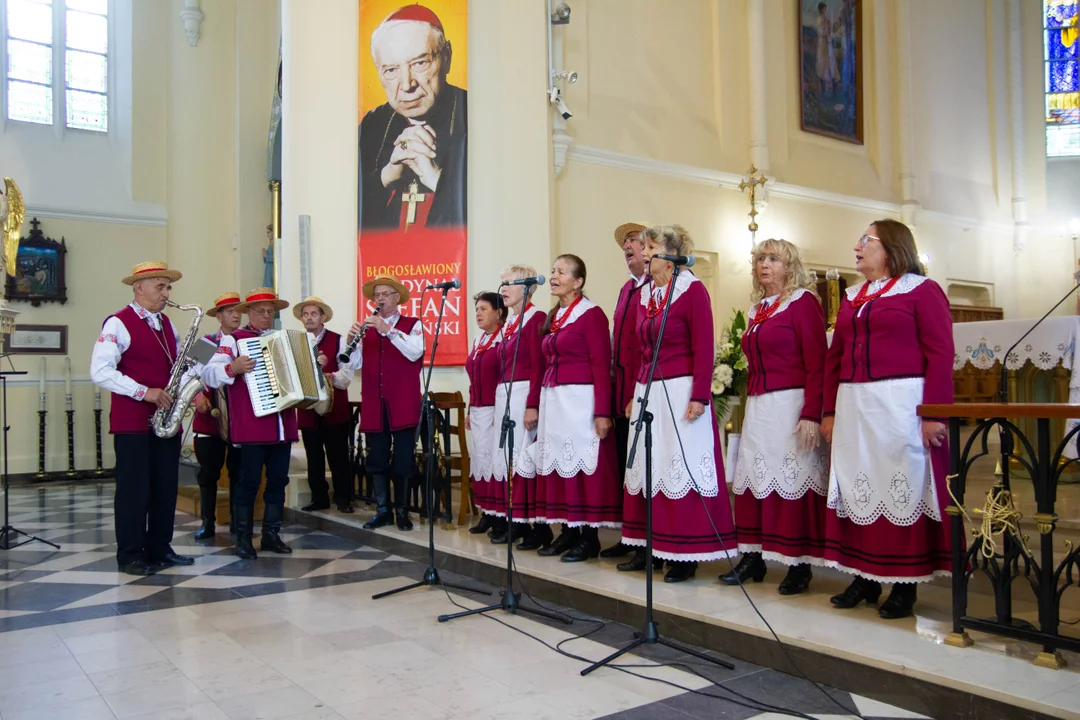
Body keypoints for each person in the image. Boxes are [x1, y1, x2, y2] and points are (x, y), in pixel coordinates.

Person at [820, 219, 954, 619]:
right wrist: (828, 410)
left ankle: (903, 584)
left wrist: (934, 413)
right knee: (859, 488)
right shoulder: (850, 297)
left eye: (867, 240)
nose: (857, 246)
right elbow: (835, 358)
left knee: (900, 488)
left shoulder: (921, 291)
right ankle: (863, 576)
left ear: (892, 247)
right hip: (854, 407)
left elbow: (941, 354)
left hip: (900, 404)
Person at [620, 225, 738, 582]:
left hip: (681, 389)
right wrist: (634, 394)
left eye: (650, 247)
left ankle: (685, 554)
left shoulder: (693, 290)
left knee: (679, 467)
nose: (643, 253)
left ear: (671, 256)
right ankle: (651, 548)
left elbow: (704, 346)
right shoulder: (646, 294)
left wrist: (700, 395)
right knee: (651, 467)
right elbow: (639, 348)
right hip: (648, 390)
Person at [723, 239, 828, 595]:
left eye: (772, 259)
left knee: (791, 478)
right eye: (759, 259)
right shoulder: (758, 310)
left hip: (791, 403)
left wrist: (812, 412)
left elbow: (817, 363)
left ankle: (798, 564)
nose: (763, 264)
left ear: (790, 266)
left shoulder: (803, 304)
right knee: (754, 477)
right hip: (759, 404)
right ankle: (752, 556)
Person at [90, 261, 194, 575]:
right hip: (133, 421)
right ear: (139, 288)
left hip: (166, 421)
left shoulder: (168, 325)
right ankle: (130, 555)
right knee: (134, 490)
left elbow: (179, 364)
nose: (166, 293)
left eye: (168, 287)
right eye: (160, 286)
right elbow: (100, 371)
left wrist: (199, 368)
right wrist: (143, 392)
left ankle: (159, 548)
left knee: (165, 487)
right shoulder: (118, 323)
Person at [526, 255, 620, 561]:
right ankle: (567, 531)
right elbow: (541, 365)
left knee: (581, 468)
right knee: (558, 467)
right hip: (554, 402)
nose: (553, 276)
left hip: (581, 402)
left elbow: (600, 364)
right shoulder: (554, 316)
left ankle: (588, 537)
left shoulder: (591, 315)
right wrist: (535, 405)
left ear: (578, 282)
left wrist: (602, 412)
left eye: (561, 272)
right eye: (553, 271)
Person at [202, 288, 298, 559]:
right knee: (247, 481)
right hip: (251, 423)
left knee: (278, 480)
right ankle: (241, 537)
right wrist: (233, 368)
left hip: (282, 423)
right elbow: (203, 372)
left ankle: (271, 534)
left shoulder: (284, 339)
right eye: (260, 311)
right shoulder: (226, 340)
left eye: (270, 311)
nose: (266, 316)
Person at [359, 4, 466, 231]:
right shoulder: (373, 125)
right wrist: (386, 176)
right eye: (391, 70)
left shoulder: (472, 113)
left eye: (419, 63)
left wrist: (437, 179)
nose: (407, 85)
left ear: (446, 57)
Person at [356, 275, 425, 531]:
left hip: (403, 403)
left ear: (397, 298)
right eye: (377, 295)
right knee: (377, 458)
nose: (381, 299)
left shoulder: (413, 324)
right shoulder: (367, 327)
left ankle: (403, 511)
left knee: (404, 459)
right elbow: (352, 365)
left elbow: (415, 351)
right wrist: (353, 345)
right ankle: (383, 510)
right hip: (376, 404)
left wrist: (388, 331)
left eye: (386, 294)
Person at [600, 221, 649, 560]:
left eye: (634, 240)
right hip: (622, 393)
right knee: (626, 468)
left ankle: (648, 537)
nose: (627, 247)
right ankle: (631, 535)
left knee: (643, 465)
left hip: (642, 390)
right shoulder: (625, 289)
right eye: (625, 244)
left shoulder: (658, 287)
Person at [487, 264, 544, 546]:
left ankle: (531, 524)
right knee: (507, 458)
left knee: (522, 458)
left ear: (526, 287)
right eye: (502, 283)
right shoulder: (509, 323)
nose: (503, 289)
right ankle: (512, 517)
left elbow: (537, 365)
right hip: (505, 395)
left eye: (509, 283)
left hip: (523, 394)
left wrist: (533, 404)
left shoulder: (536, 318)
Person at [294, 296, 362, 514]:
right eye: (306, 314)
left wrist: (327, 376)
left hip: (334, 408)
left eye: (314, 314)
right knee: (313, 457)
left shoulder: (338, 340)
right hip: (307, 409)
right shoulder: (297, 342)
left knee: (338, 455)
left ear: (322, 317)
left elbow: (347, 375)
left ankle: (343, 498)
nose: (309, 318)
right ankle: (319, 498)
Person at [192, 292, 244, 540]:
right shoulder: (206, 342)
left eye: (238, 311)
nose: (235, 315)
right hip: (209, 420)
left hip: (239, 420)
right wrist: (197, 397)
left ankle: (237, 520)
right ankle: (207, 521)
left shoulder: (244, 341)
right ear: (219, 316)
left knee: (239, 471)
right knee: (208, 473)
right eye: (229, 311)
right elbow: (188, 376)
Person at [466, 292, 507, 535]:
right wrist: (471, 408)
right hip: (479, 411)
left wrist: (501, 409)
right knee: (481, 460)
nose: (478, 314)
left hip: (496, 409)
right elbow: (473, 379)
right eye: (477, 309)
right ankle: (487, 513)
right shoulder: (479, 340)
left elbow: (504, 375)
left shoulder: (504, 339)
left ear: (499, 312)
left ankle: (501, 515)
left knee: (496, 463)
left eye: (483, 309)